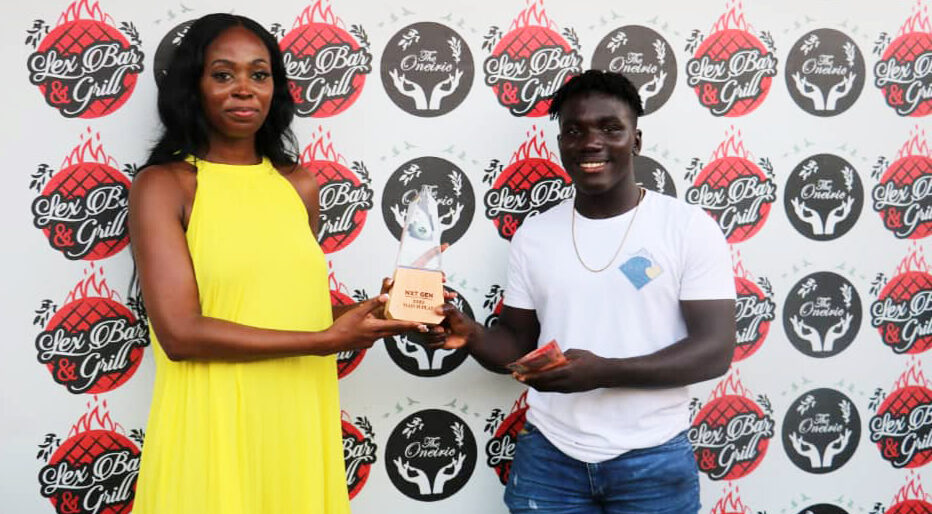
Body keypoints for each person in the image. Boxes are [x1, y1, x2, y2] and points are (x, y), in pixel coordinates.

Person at [129, 13, 425, 514]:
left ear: (275, 88)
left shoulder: (298, 184)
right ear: (193, 86)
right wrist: (325, 341)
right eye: (223, 74)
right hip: (213, 428)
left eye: (259, 74)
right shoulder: (164, 185)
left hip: (296, 421)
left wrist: (375, 313)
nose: (244, 89)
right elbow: (180, 334)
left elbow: (288, 310)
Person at [438, 70, 736, 513]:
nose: (591, 143)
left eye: (610, 128)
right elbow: (516, 345)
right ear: (561, 144)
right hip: (550, 458)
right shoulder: (535, 235)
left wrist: (604, 372)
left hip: (653, 457)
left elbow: (714, 351)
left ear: (636, 140)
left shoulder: (687, 228)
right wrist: (471, 334)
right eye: (575, 131)